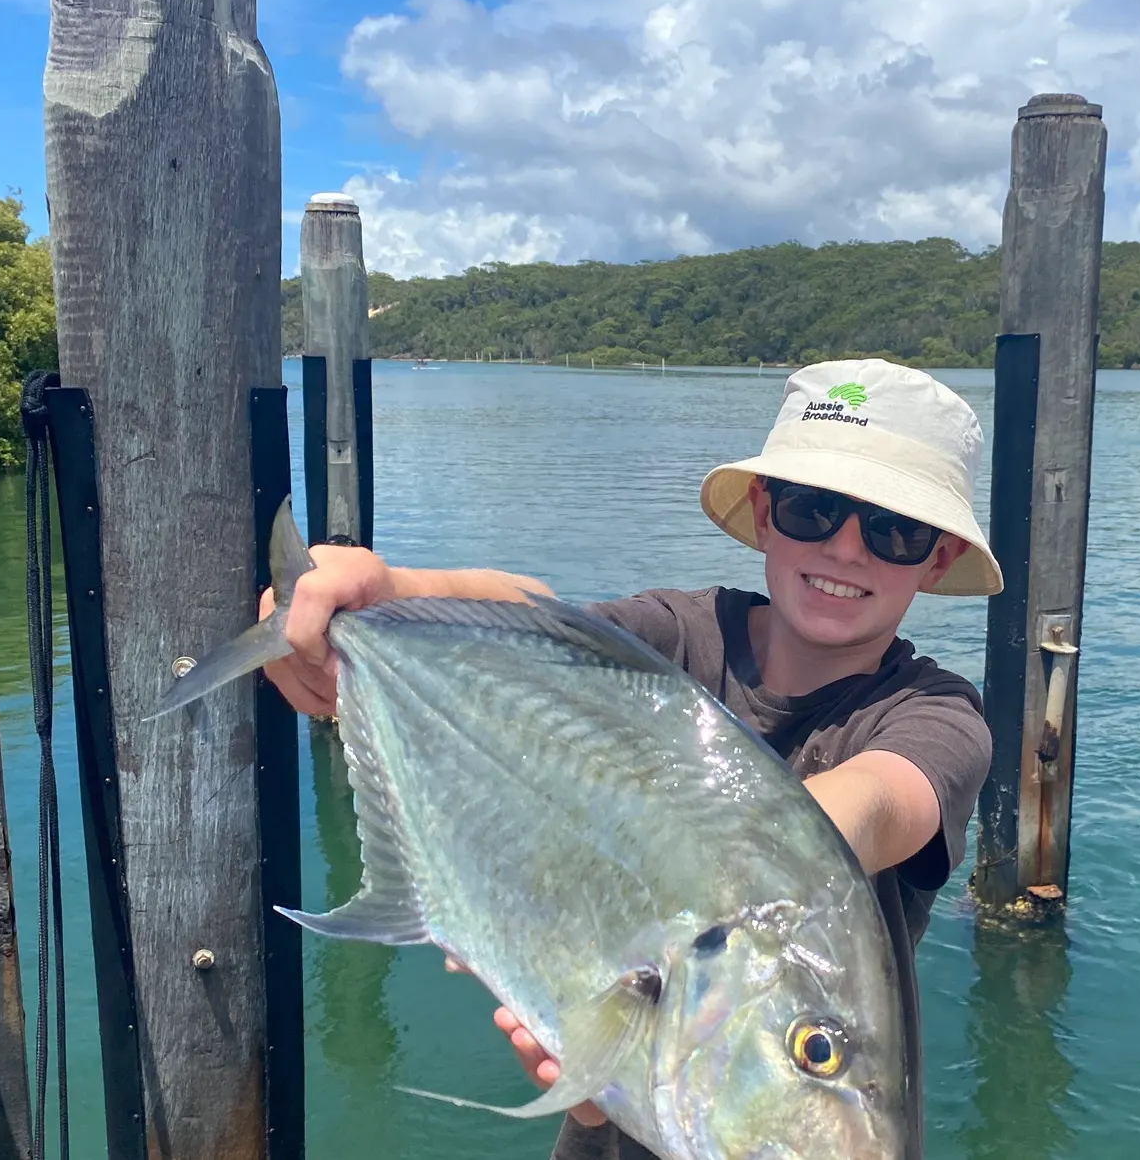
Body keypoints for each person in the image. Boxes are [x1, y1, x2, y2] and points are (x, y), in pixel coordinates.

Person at [263, 358, 1002, 1160]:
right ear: (764, 512)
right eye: (813, 508)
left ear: (936, 558)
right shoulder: (678, 638)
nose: (848, 549)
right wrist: (371, 594)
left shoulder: (937, 716)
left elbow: (871, 807)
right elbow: (538, 622)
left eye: (895, 530)